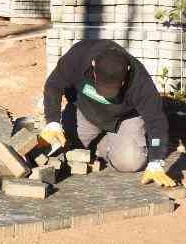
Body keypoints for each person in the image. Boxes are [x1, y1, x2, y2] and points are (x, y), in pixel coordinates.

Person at [39, 39, 174, 184]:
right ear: (93, 65)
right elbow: (54, 85)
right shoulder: (79, 55)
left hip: (123, 119)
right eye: (102, 86)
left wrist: (156, 161)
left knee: (129, 162)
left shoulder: (140, 81)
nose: (106, 92)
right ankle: (103, 143)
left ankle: (115, 143)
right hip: (87, 112)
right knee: (63, 147)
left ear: (125, 76)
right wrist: (52, 122)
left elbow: (156, 120)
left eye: (113, 88)